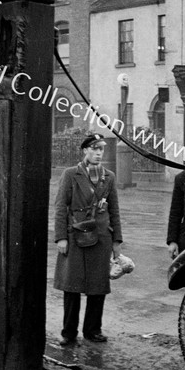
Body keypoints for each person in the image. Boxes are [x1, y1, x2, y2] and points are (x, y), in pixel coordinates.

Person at [53, 133, 123, 346]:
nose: (98, 153)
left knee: (97, 286)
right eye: (94, 149)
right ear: (85, 151)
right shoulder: (70, 174)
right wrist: (61, 238)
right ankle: (69, 332)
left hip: (101, 237)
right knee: (71, 286)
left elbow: (115, 210)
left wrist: (117, 241)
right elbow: (60, 207)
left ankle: (93, 330)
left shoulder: (108, 176)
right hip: (75, 235)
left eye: (101, 149)